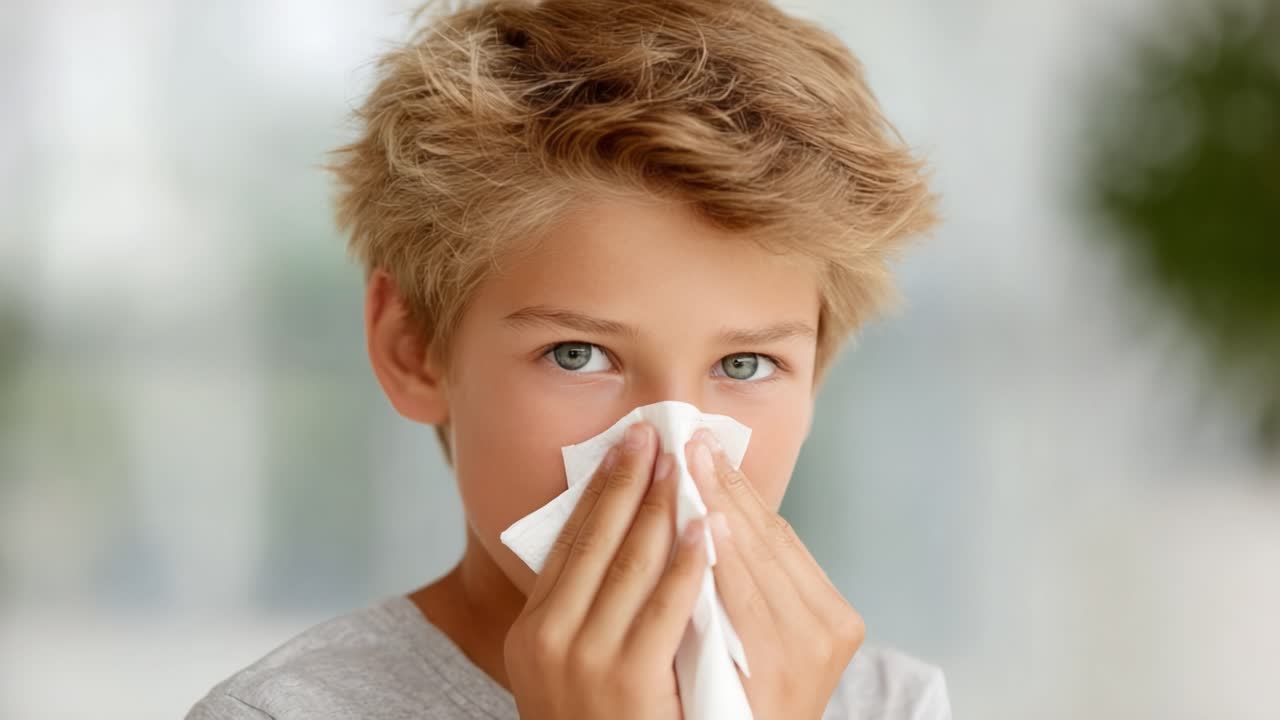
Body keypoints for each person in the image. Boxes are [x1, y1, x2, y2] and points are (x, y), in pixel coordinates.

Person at [187, 0, 949, 717]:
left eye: (744, 365)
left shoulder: (884, 704)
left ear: (816, 379)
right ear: (413, 349)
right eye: (578, 355)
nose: (672, 460)